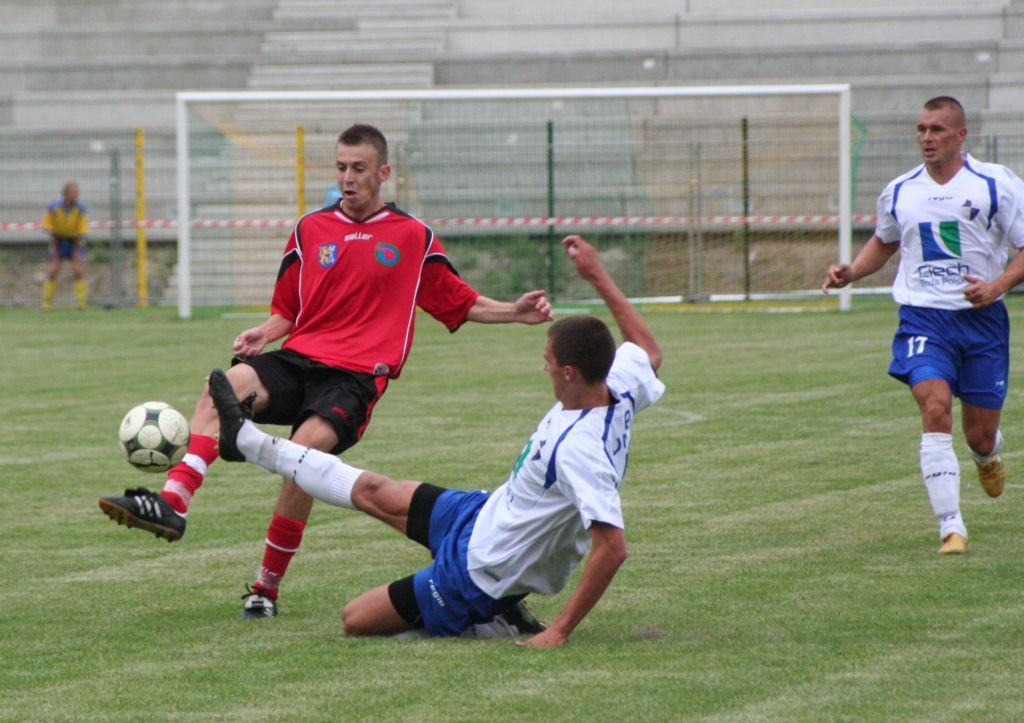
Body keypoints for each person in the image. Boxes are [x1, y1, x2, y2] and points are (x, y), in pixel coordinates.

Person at [99, 124, 553, 618]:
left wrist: (515, 311)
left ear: (383, 173)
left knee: (302, 460)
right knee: (222, 386)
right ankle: (175, 502)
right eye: (341, 167)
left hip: (355, 376)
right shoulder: (310, 229)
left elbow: (459, 304)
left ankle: (265, 589)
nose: (348, 178)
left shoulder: (412, 236)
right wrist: (264, 333)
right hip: (300, 357)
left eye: (359, 168)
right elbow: (288, 310)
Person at [206, 234, 664, 645]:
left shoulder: (582, 449)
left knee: (355, 619)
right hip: (483, 512)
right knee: (371, 491)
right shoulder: (617, 388)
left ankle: (491, 613)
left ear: (569, 371)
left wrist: (560, 631)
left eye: (547, 360)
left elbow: (612, 547)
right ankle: (248, 441)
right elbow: (649, 351)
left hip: (483, 568)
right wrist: (596, 274)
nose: (542, 367)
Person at [823, 96, 1024, 554]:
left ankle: (986, 453)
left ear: (960, 135)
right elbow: (885, 241)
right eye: (921, 129)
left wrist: (996, 287)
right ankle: (951, 526)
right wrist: (852, 271)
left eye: (936, 129)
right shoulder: (901, 189)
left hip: (982, 322)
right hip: (922, 318)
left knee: (978, 434)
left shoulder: (997, 184)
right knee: (934, 406)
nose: (927, 138)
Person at [42, 181, 89, 310]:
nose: (75, 195)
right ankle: (46, 304)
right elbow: (48, 227)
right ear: (65, 194)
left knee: (78, 270)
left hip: (75, 241)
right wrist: (56, 247)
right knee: (52, 271)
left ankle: (82, 304)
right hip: (59, 241)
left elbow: (82, 231)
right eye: (73, 192)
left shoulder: (81, 209)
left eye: (77, 192)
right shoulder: (53, 208)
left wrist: (76, 249)